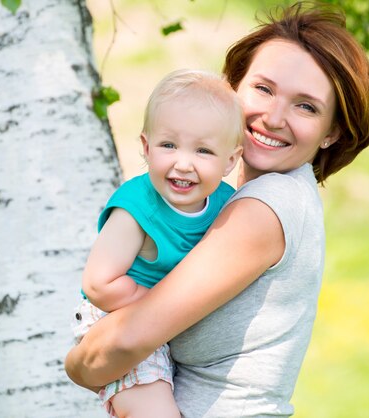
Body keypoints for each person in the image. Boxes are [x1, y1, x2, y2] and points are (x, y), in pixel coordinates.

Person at [66, 2, 369, 417]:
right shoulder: (245, 199)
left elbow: (124, 342)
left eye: (305, 106)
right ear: (231, 89)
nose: (272, 117)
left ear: (332, 132)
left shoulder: (268, 206)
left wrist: (77, 363)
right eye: (263, 89)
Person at [71, 69, 244, 417]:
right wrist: (161, 305)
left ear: (230, 161)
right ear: (147, 147)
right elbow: (98, 283)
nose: (183, 163)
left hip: (165, 326)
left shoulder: (229, 203)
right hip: (118, 319)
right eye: (169, 145)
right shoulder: (137, 208)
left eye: (204, 151)